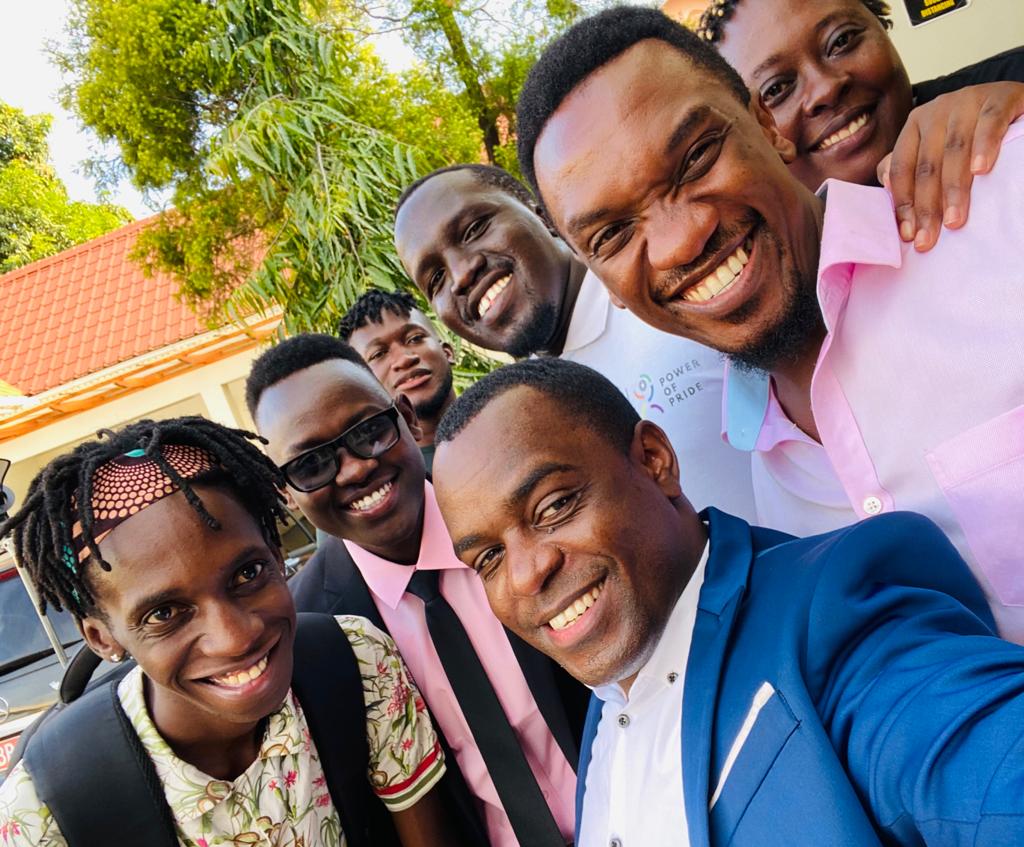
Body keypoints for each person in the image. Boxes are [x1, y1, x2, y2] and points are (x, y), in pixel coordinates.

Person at [513, 6, 1024, 640]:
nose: (680, 241)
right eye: (613, 234)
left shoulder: (998, 204)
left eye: (697, 158)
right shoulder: (769, 492)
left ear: (767, 127)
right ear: (603, 281)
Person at [430, 357, 1024, 847]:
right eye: (489, 557)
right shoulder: (603, 711)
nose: (526, 575)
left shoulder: (835, 617)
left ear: (655, 461)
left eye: (554, 506)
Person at [0, 417, 452, 847]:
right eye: (164, 613)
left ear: (276, 555)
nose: (235, 637)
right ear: (103, 637)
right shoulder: (43, 813)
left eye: (247, 574)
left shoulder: (358, 665)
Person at [245, 333, 588, 847]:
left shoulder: (520, 504)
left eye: (368, 431)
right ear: (285, 492)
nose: (356, 468)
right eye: (312, 463)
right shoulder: (307, 633)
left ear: (406, 416)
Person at [394, 164, 759, 521]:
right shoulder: (525, 414)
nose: (460, 275)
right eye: (436, 278)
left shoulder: (670, 293)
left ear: (544, 215)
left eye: (475, 229)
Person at [699, 0, 1024, 252]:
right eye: (776, 89)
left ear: (882, 26)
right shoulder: (777, 272)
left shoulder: (1011, 90)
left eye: (841, 40)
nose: (825, 88)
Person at [339, 289, 456, 474]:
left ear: (448, 352)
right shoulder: (386, 479)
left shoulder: (504, 418)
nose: (403, 359)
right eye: (378, 354)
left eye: (414, 339)